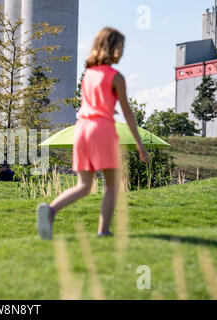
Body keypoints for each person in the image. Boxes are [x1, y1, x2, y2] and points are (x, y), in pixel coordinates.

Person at [36, 27, 150, 240]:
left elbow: (93, 103)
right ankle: (103, 231)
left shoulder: (88, 74)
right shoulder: (116, 77)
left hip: (81, 129)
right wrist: (139, 144)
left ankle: (50, 211)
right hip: (102, 130)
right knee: (112, 184)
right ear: (112, 47)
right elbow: (128, 112)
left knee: (84, 185)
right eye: (121, 47)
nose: (122, 52)